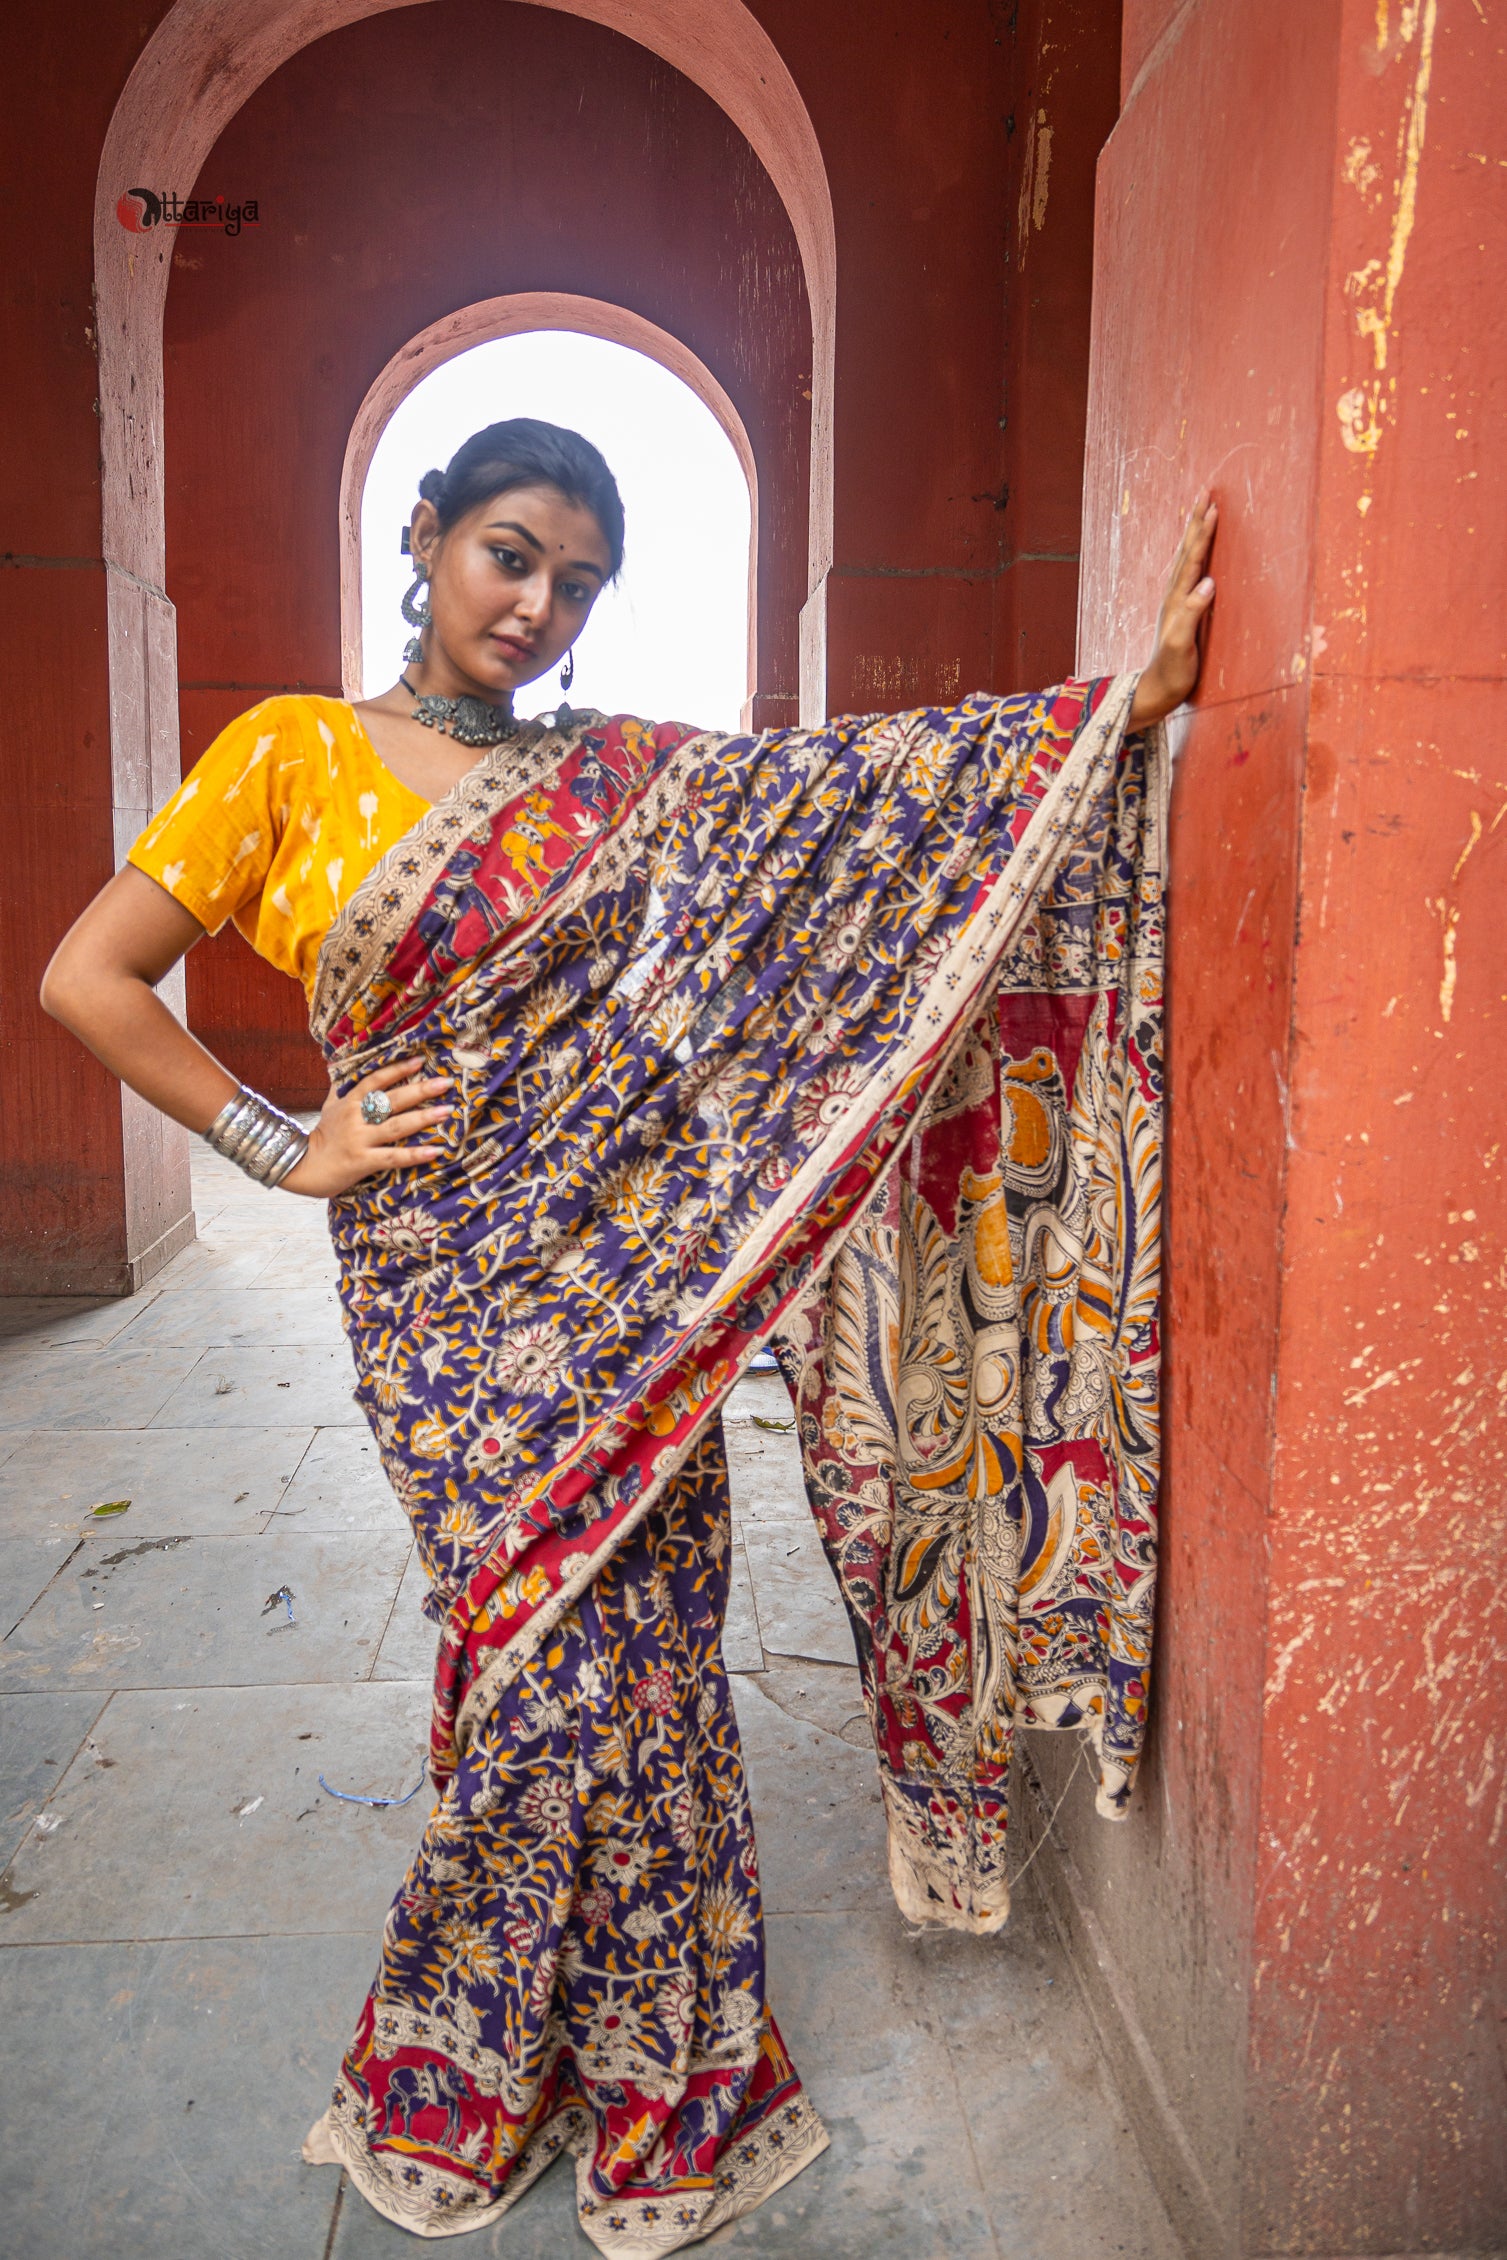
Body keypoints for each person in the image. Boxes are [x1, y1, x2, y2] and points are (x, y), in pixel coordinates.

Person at [41, 418, 1214, 2250]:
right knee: (535, 1661)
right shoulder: (282, 751)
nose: (538, 604)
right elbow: (86, 977)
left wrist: (1105, 716)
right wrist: (286, 1145)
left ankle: (665, 2059)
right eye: (510, 554)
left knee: (647, 1663)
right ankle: (482, 2052)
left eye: (577, 582)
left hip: (630, 1283)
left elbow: (849, 810)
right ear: (423, 538)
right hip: (435, 1285)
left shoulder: (628, 775)